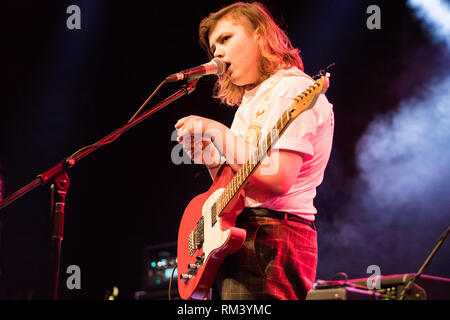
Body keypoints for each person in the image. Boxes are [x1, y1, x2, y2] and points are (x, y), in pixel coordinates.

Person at [174, 1, 334, 300]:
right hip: (246, 232)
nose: (217, 52)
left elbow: (276, 180)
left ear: (259, 35)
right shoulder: (253, 97)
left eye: (226, 38)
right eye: (213, 47)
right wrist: (209, 155)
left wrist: (217, 132)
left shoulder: (290, 89)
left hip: (270, 235)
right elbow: (239, 181)